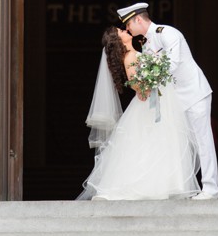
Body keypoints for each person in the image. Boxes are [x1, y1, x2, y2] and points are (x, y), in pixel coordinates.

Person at [79, 26, 200, 200]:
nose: (124, 30)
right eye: (120, 31)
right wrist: (151, 80)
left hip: (160, 101)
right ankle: (148, 186)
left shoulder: (137, 52)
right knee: (149, 142)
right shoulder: (129, 57)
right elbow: (136, 85)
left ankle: (163, 184)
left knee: (161, 141)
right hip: (148, 106)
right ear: (118, 40)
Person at [118, 2, 218, 200]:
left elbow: (173, 63)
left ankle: (210, 189)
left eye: (129, 24)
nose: (128, 29)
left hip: (193, 93)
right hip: (174, 100)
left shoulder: (167, 33)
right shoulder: (146, 44)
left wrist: (150, 80)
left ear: (138, 19)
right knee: (180, 142)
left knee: (202, 141)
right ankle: (184, 187)